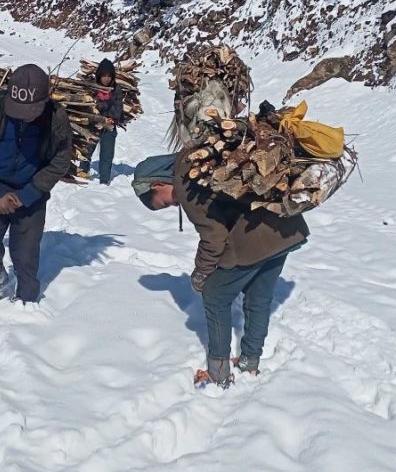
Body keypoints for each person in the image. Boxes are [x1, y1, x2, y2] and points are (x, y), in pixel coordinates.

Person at [132, 152, 309, 387]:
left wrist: (201, 273)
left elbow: (213, 237)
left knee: (215, 296)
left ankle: (218, 374)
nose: (173, 205)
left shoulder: (185, 182)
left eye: (165, 202)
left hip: (258, 236)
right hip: (285, 227)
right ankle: (249, 361)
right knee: (259, 297)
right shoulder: (198, 160)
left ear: (158, 183)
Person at [0, 64, 73, 304]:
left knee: (25, 255)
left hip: (31, 190)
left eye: (31, 109)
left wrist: (30, 193)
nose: (25, 115)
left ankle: (26, 302)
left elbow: (61, 159)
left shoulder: (55, 117)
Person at [79, 58, 124, 185]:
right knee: (86, 152)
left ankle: (104, 182)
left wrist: (101, 107)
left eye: (109, 76)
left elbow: (117, 112)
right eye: (104, 76)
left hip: (110, 127)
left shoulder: (116, 89)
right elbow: (90, 108)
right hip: (93, 126)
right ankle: (82, 175)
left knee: (107, 156)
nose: (106, 79)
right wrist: (107, 105)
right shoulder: (92, 88)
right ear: (99, 76)